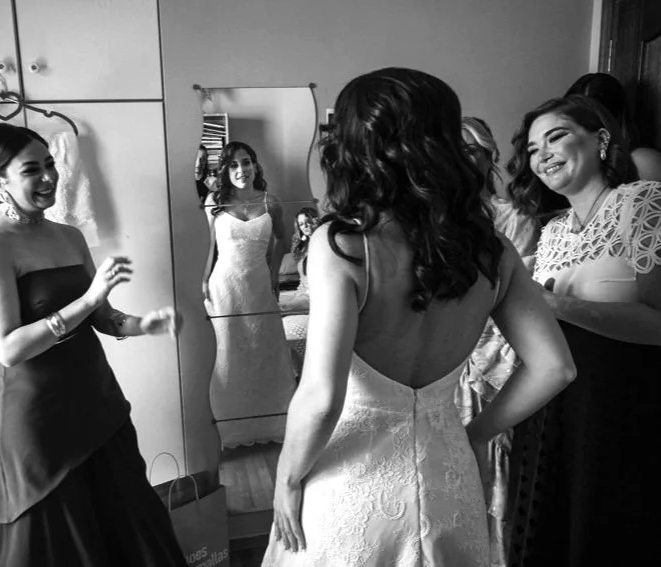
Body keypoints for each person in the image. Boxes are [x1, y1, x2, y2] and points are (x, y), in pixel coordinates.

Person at [261, 67, 575, 566]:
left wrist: (286, 478)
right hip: (448, 477)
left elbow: (321, 399)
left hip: (353, 487)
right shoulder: (492, 250)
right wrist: (473, 434)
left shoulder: (344, 245)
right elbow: (555, 367)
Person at [0, 123, 185, 566]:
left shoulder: (70, 236)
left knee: (129, 521)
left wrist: (143, 325)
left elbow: (102, 316)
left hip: (97, 400)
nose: (49, 177)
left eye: (50, 164)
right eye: (32, 170)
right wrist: (88, 298)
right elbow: (8, 349)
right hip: (40, 417)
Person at [506, 94, 661, 566]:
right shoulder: (552, 231)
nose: (543, 155)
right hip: (553, 404)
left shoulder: (643, 201)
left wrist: (557, 304)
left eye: (556, 137)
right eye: (533, 150)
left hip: (623, 401)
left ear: (601, 140)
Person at [456, 116, 540, 567]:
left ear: (490, 157)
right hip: (445, 360)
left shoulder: (515, 218)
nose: (463, 158)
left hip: (494, 357)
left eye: (473, 150)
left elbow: (518, 298)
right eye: (455, 149)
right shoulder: (434, 221)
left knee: (493, 461)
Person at [203, 141, 295, 447]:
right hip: (224, 286)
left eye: (246, 162)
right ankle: (229, 428)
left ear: (255, 165)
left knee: (263, 351)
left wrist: (273, 273)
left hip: (259, 286)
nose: (241, 169)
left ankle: (272, 423)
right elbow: (207, 248)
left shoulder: (271, 202)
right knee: (228, 352)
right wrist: (202, 281)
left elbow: (283, 239)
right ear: (225, 170)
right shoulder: (214, 202)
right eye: (233, 165)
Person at [565, 72, 661, 181]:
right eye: (574, 118)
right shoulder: (572, 160)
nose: (580, 128)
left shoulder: (642, 161)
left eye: (592, 120)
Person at [282, 207, 319, 377]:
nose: (306, 226)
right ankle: (296, 372)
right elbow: (302, 282)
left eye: (309, 221)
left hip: (316, 297)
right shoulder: (303, 248)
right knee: (274, 303)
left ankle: (303, 372)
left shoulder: (325, 245)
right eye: (302, 224)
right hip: (303, 293)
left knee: (279, 308)